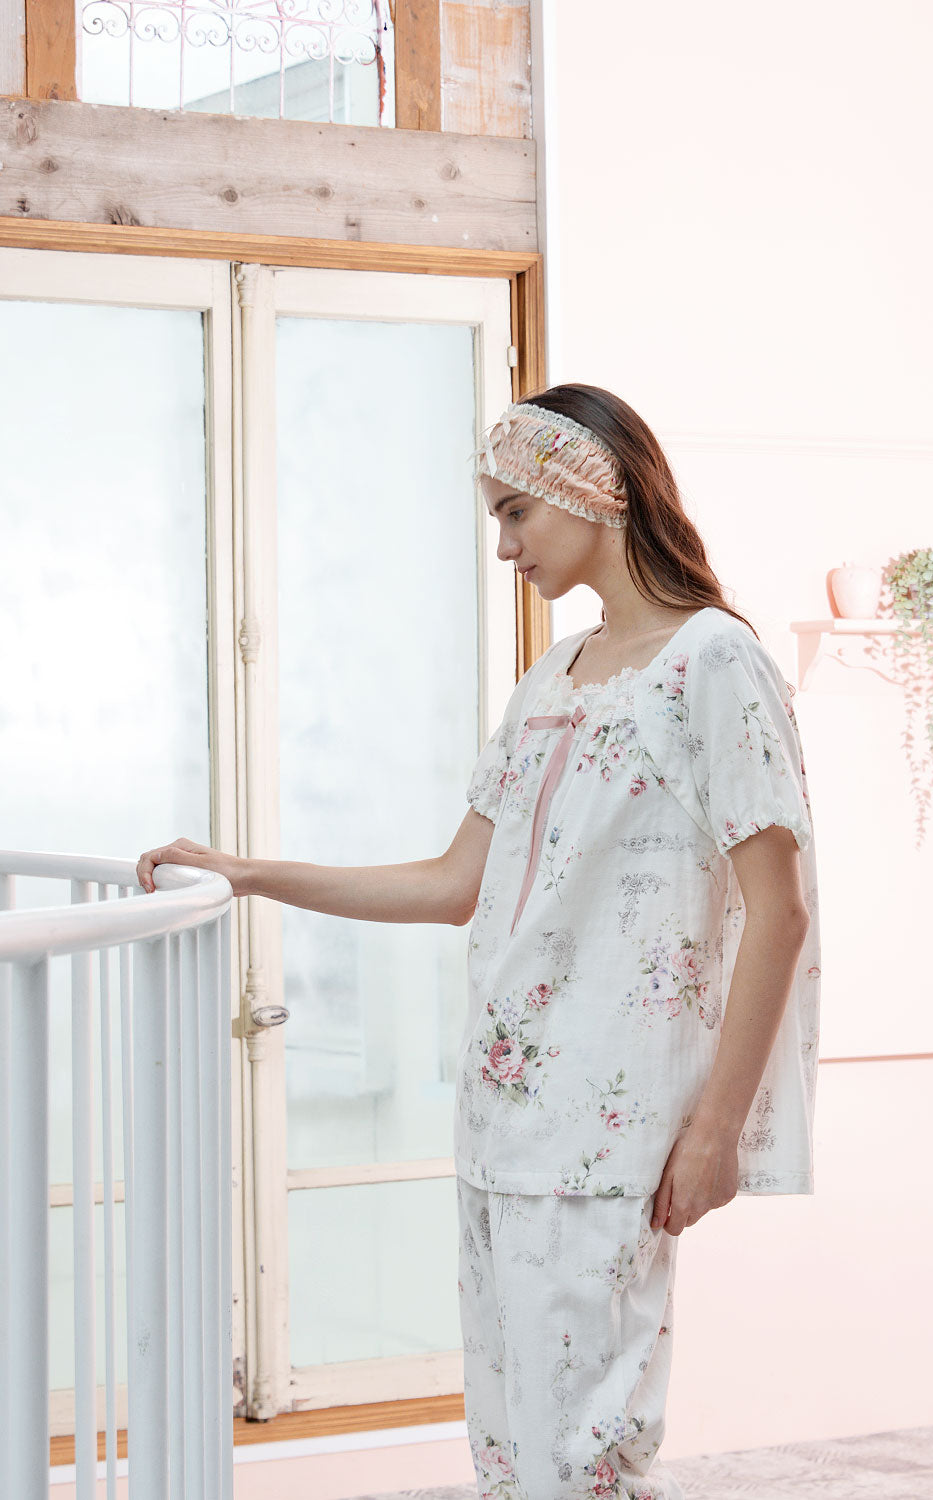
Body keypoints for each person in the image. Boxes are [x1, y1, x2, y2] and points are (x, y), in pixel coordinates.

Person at [136, 383, 820, 1500]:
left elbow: (778, 911)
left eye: (515, 513)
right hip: (503, 1116)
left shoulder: (712, 662)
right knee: (509, 1446)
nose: (504, 547)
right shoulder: (552, 677)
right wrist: (248, 872)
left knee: (585, 1453)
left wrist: (717, 1129)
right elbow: (455, 883)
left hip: (610, 1126)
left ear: (593, 492)